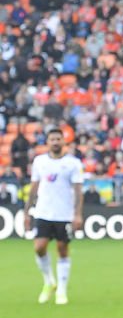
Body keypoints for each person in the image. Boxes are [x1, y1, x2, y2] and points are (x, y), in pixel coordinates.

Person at [23, 128, 84, 305]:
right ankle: (49, 281)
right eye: (52, 139)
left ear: (64, 142)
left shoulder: (73, 163)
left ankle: (62, 291)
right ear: (47, 142)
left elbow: (79, 191)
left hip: (64, 214)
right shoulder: (40, 162)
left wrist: (78, 214)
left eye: (58, 139)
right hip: (43, 212)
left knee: (62, 249)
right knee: (39, 248)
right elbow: (34, 187)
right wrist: (27, 211)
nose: (55, 142)